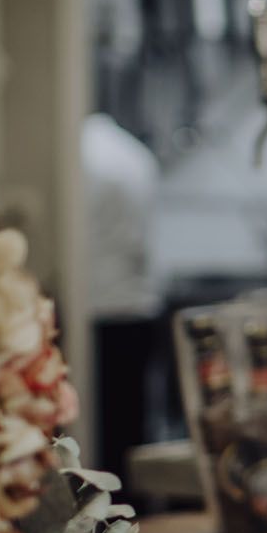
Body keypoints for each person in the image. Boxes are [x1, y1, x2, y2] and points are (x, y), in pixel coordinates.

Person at [78, 108, 163, 483]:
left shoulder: (84, 155)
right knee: (130, 429)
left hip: (101, 311)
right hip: (136, 307)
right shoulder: (134, 155)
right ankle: (132, 519)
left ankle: (106, 525)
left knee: (101, 437)